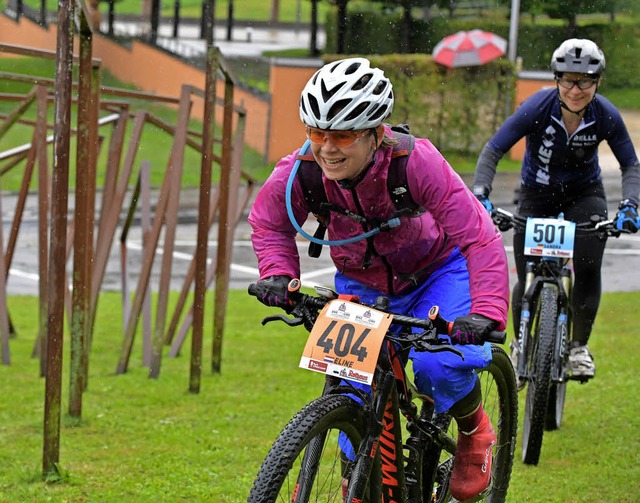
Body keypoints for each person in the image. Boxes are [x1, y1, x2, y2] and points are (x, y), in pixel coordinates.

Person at [248, 57, 510, 501]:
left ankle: (474, 431)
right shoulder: (301, 170)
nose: (327, 148)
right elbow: (269, 222)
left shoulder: (415, 162)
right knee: (349, 382)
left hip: (437, 272)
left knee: (438, 366)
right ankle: (359, 476)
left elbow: (479, 237)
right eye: (316, 133)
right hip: (363, 283)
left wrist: (485, 310)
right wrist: (277, 274)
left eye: (343, 135)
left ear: (374, 133)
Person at [472, 38, 640, 381]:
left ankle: (578, 347)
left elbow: (630, 165)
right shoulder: (537, 107)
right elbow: (493, 150)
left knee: (589, 263)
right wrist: (481, 194)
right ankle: (521, 343)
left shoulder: (605, 114)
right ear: (556, 78)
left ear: (598, 82)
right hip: (537, 194)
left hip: (584, 194)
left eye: (585, 81)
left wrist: (630, 205)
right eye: (567, 79)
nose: (575, 90)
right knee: (525, 271)